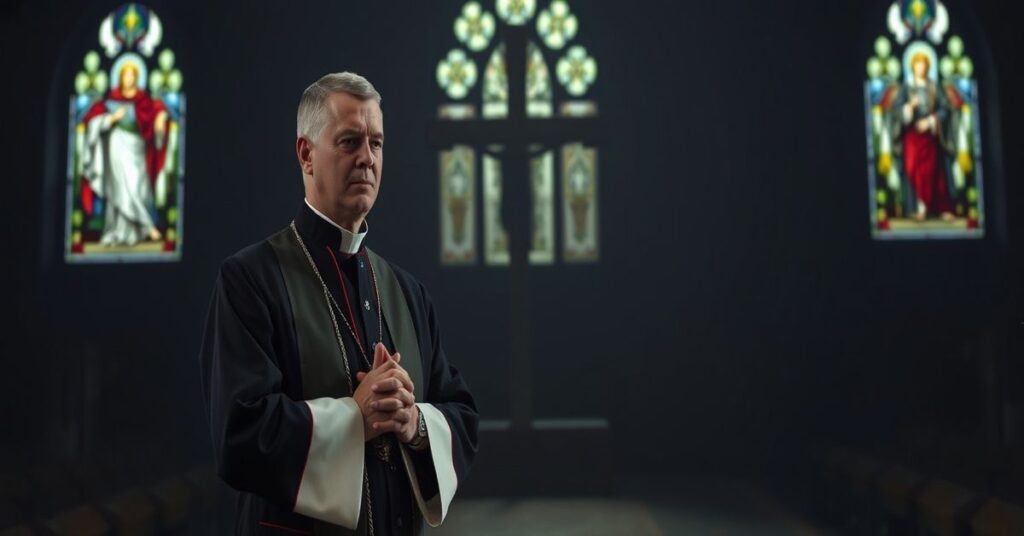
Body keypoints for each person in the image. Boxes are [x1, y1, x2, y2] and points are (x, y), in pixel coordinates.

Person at [199, 72, 478, 535]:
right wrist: (354, 419)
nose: (367, 159)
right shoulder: (250, 280)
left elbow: (462, 415)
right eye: (349, 141)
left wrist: (415, 422)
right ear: (306, 154)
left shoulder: (408, 293)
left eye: (377, 143)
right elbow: (238, 434)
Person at [81, 61, 167, 246]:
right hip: (116, 147)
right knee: (119, 189)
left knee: (137, 187)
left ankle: (140, 230)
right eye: (126, 75)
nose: (129, 79)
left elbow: (156, 113)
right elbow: (93, 121)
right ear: (120, 78)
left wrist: (161, 117)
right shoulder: (111, 98)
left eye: (132, 75)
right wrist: (112, 118)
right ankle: (119, 231)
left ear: (137, 77)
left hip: (137, 148)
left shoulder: (144, 100)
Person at [893, 51, 955, 222]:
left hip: (930, 137)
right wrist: (909, 108)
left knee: (933, 172)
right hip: (912, 137)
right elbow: (896, 111)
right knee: (914, 170)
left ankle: (938, 208)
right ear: (912, 66)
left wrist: (930, 121)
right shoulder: (906, 87)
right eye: (918, 64)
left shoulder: (934, 87)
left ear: (928, 67)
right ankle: (918, 209)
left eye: (924, 65)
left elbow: (945, 109)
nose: (921, 68)